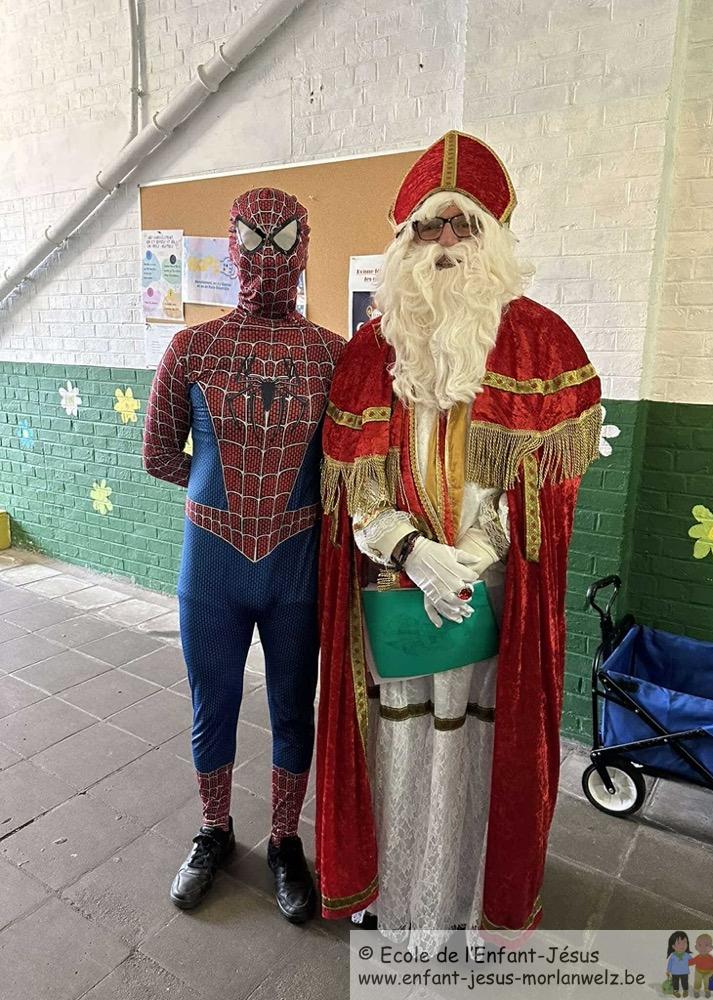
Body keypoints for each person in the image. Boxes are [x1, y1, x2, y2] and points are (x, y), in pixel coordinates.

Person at [315, 131, 602, 945]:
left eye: (463, 224)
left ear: (493, 235)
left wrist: (469, 560)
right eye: (429, 226)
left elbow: (538, 493)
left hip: (487, 604)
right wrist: (413, 551)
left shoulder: (542, 343)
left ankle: (463, 906)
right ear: (404, 241)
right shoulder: (369, 353)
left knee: (476, 754)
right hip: (396, 594)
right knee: (400, 752)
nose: (445, 242)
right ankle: (397, 901)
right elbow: (357, 487)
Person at [143, 187, 344, 922]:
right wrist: (217, 497)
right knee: (213, 700)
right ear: (231, 246)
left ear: (305, 244)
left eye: (283, 239)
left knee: (294, 704)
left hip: (295, 568)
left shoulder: (333, 355)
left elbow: (350, 465)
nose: (268, 256)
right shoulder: (191, 347)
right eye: (255, 240)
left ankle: (285, 839)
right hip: (215, 568)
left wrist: (218, 492)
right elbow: (157, 452)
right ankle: (214, 829)